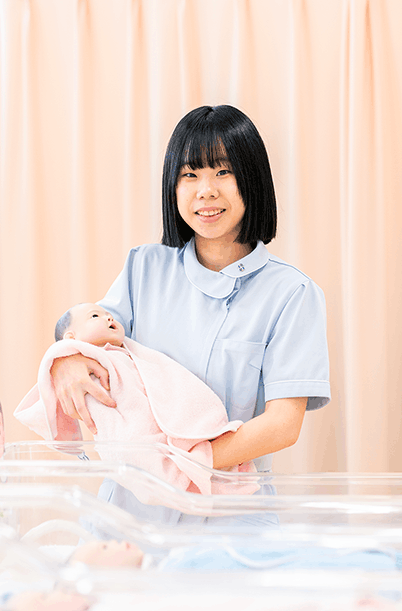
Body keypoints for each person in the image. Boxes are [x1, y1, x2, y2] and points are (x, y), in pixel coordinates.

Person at [48, 104, 330, 523]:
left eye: (223, 172)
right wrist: (64, 361)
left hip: (228, 507)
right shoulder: (143, 268)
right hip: (133, 507)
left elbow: (282, 425)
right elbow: (85, 337)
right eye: (190, 174)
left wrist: (180, 465)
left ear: (252, 180)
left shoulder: (292, 293)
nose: (206, 190)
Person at [14, 302, 257, 500]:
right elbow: (47, 390)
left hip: (154, 431)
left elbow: (161, 386)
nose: (109, 318)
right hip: (126, 436)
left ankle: (191, 465)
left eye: (109, 315)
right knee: (139, 454)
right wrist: (62, 355)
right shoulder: (87, 365)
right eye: (96, 315)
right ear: (71, 338)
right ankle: (179, 474)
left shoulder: (129, 355)